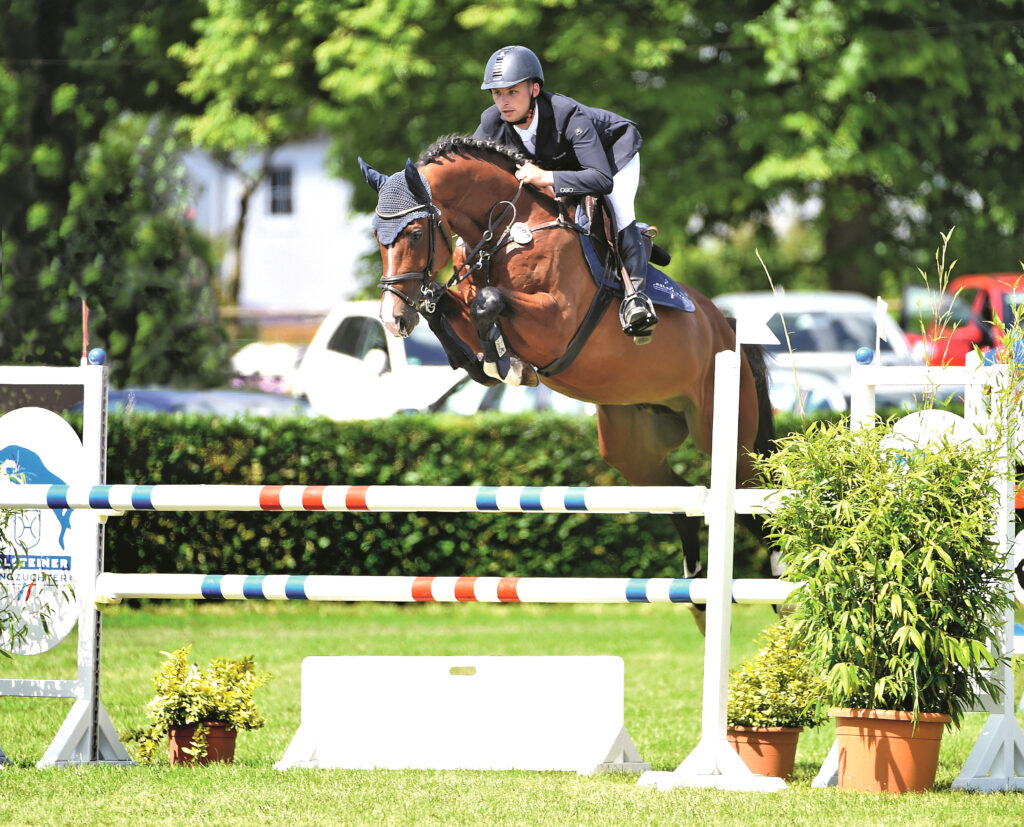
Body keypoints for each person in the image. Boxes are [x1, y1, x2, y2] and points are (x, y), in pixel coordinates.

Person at [472, 45, 657, 339]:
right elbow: (474, 177)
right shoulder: (491, 123)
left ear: (534, 89)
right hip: (568, 165)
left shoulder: (567, 115)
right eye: (497, 94)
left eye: (512, 92)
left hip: (612, 156)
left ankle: (636, 299)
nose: (503, 102)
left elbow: (600, 179)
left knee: (619, 209)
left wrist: (547, 177)